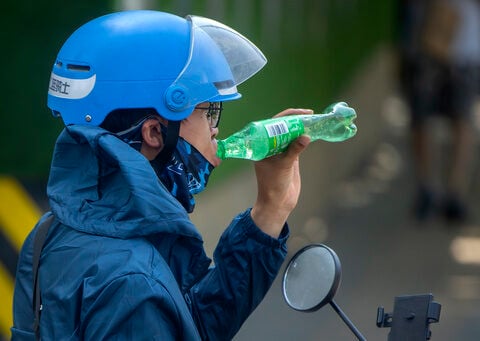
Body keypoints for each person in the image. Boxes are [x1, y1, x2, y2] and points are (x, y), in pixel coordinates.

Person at [11, 10, 312, 340]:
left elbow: (188, 325)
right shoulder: (133, 283)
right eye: (208, 111)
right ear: (155, 132)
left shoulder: (53, 230)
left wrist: (271, 207)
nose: (216, 130)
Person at [398, 0, 480, 223]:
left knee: (462, 122)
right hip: (426, 42)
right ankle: (428, 190)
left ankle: (454, 193)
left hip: (466, 47)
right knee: (421, 120)